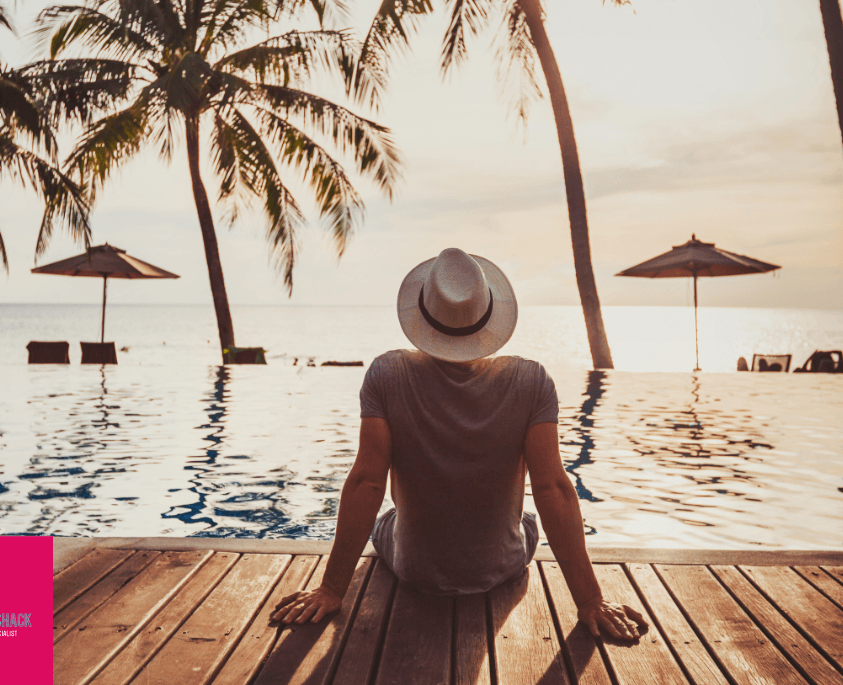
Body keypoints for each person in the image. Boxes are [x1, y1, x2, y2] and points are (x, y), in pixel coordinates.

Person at [271, 248, 647, 640]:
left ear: (422, 314)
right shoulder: (532, 381)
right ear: (489, 315)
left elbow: (367, 482)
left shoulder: (387, 374)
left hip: (414, 568)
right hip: (501, 566)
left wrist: (331, 589)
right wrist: (590, 600)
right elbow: (552, 488)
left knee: (387, 520)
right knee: (528, 521)